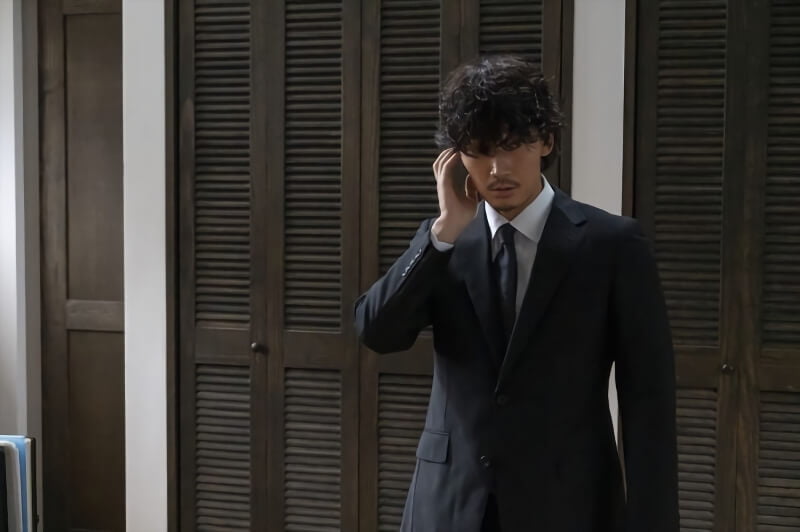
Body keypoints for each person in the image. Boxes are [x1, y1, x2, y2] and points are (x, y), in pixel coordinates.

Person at [354, 55, 679, 532]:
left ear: (546, 141)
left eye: (513, 146)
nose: (497, 168)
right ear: (455, 159)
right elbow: (377, 332)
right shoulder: (444, 242)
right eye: (480, 150)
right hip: (450, 505)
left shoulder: (612, 245)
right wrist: (443, 232)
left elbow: (648, 401)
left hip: (567, 504)